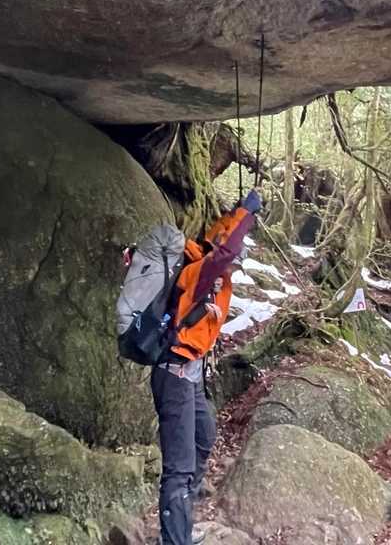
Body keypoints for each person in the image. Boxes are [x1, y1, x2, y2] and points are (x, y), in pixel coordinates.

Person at [152, 189, 262, 545]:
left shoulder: (215, 278)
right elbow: (223, 249)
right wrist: (246, 214)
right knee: (179, 468)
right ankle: (174, 539)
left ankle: (182, 521)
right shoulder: (199, 272)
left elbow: (220, 239)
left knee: (204, 435)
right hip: (174, 372)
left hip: (191, 373)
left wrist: (236, 213)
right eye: (233, 262)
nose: (234, 267)